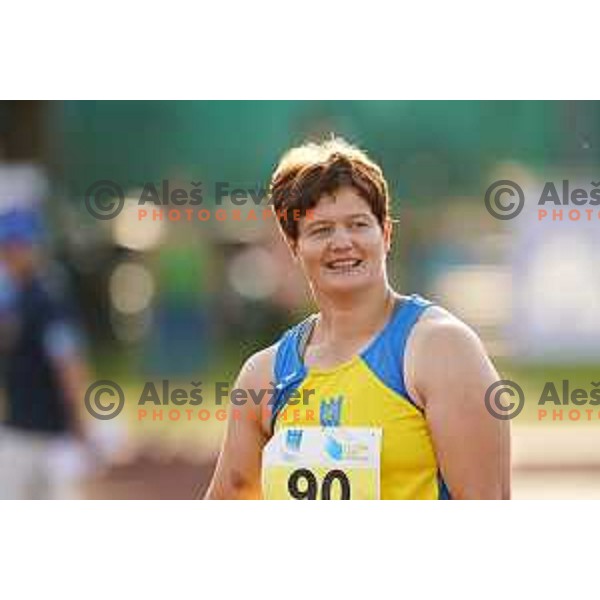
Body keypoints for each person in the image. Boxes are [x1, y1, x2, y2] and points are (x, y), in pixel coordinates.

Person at [205, 138, 510, 500]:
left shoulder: (440, 350)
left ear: (386, 234)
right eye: (321, 230)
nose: (342, 242)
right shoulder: (264, 375)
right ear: (294, 248)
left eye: (358, 224)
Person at [0, 209, 92, 499]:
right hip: (19, 431)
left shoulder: (48, 299)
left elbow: (68, 364)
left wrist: (81, 423)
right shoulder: (15, 297)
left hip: (50, 436)